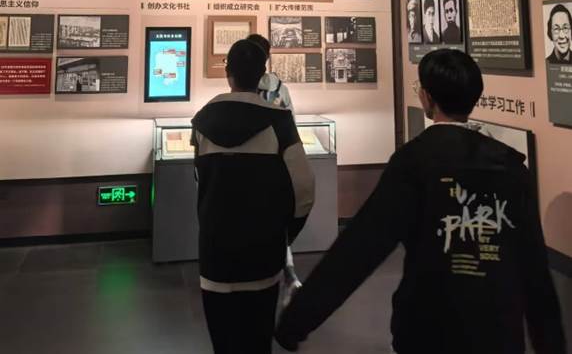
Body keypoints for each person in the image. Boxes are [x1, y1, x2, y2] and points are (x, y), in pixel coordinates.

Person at [275, 49, 566, 354]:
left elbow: (360, 248)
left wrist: (297, 320)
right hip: (497, 330)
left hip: (429, 324)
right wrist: (551, 344)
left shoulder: (414, 161)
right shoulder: (510, 166)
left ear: (426, 97)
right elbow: (534, 268)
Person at [191, 39, 314, 354]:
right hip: (262, 255)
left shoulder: (202, 122)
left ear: (228, 74)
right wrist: (285, 234)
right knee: (258, 342)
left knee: (223, 343)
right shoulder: (279, 121)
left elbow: (200, 181)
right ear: (262, 74)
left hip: (215, 254)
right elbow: (304, 189)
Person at [248, 32, 301, 303]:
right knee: (276, 223)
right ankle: (286, 272)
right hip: (276, 165)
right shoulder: (279, 88)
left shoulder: (245, 88)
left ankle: (275, 273)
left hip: (253, 167)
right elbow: (291, 126)